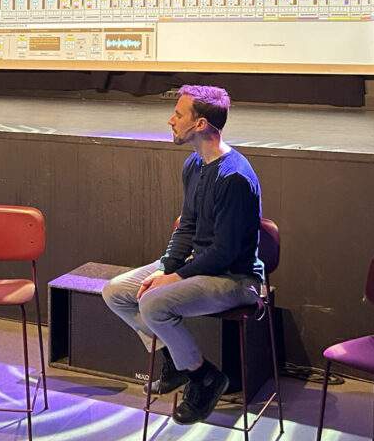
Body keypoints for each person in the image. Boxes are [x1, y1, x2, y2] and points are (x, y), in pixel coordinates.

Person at [101, 85, 264, 425]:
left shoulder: (234, 177)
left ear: (200, 124)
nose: (170, 120)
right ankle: (177, 362)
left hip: (235, 278)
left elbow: (224, 253)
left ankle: (204, 378)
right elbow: (186, 228)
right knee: (115, 292)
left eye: (178, 114)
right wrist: (166, 266)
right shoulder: (194, 164)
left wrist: (174, 277)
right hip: (200, 267)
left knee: (153, 303)